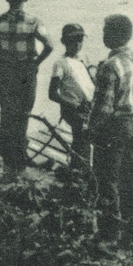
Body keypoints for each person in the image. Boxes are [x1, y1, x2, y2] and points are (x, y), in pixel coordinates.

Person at [0, 0, 53, 178]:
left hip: (5, 71)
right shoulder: (33, 21)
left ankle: (9, 167)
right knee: (23, 117)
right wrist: (36, 63)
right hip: (26, 73)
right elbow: (50, 45)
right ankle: (19, 166)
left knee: (8, 118)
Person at [91, 14, 133, 248]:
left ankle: (108, 235)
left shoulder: (109, 66)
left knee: (106, 180)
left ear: (116, 35)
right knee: (129, 179)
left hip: (113, 129)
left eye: (106, 31)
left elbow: (103, 110)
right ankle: (131, 232)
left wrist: (92, 131)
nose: (103, 35)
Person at [49, 23, 95, 170]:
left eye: (80, 39)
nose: (76, 44)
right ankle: (79, 170)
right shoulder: (60, 64)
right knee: (81, 138)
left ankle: (81, 169)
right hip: (73, 109)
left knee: (86, 140)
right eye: (71, 40)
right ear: (63, 42)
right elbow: (52, 94)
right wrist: (75, 105)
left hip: (88, 106)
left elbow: (90, 81)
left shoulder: (84, 59)